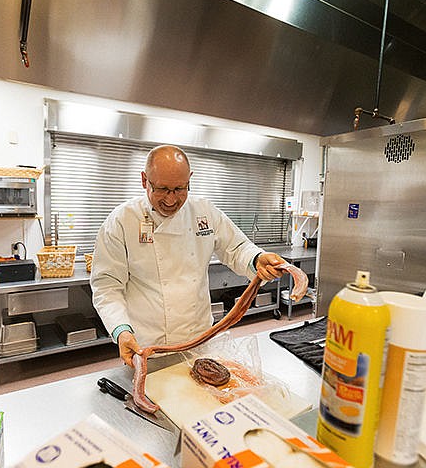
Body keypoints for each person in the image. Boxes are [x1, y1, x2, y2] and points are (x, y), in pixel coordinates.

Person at [90, 145, 290, 366]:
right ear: (144, 180)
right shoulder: (121, 221)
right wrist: (121, 330)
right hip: (147, 345)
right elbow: (107, 286)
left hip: (200, 340)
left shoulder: (203, 211)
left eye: (180, 189)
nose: (171, 199)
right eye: (162, 189)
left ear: (189, 180)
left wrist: (256, 259)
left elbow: (236, 247)